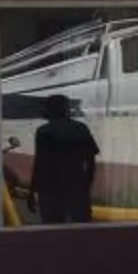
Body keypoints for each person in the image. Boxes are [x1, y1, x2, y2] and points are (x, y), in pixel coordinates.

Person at [29, 96, 100, 224]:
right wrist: (86, 186)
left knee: (53, 232)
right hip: (76, 187)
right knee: (81, 232)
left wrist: (32, 191)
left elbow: (40, 164)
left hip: (51, 189)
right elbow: (91, 161)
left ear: (49, 110)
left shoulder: (44, 131)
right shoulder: (81, 128)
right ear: (67, 109)